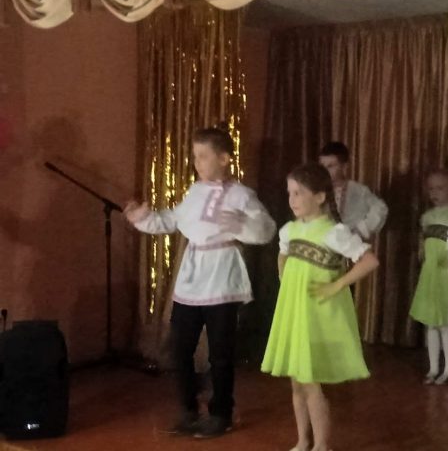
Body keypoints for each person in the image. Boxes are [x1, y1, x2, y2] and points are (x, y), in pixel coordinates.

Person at [124, 128, 276, 439]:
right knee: (180, 348)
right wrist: (142, 218)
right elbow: (171, 220)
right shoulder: (194, 192)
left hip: (221, 278)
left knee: (220, 352)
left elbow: (266, 229)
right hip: (192, 279)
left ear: (224, 158)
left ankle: (221, 413)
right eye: (195, 157)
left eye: (204, 156)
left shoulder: (241, 195)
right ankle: (188, 410)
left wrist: (243, 225)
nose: (197, 163)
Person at [261, 163, 379, 451]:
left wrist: (336, 286)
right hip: (294, 311)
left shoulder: (333, 233)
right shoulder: (290, 230)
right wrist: (284, 276)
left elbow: (369, 261)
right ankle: (303, 440)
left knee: (310, 381)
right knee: (297, 383)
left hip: (317, 315)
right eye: (290, 193)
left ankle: (321, 445)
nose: (292, 199)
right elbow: (283, 254)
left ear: (320, 197)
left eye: (299, 193)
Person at [409, 170, 448, 385]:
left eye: (440, 188)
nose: (435, 193)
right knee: (431, 323)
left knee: (445, 323)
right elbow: (423, 244)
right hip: (430, 274)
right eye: (431, 189)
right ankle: (433, 367)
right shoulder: (426, 217)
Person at [318, 142, 388, 241]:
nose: (325, 171)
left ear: (344, 166)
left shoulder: (358, 190)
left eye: (330, 166)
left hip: (350, 243)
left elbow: (381, 209)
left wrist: (361, 230)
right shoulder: (315, 190)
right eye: (322, 166)